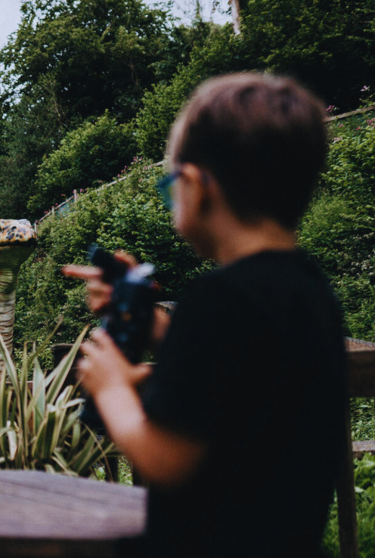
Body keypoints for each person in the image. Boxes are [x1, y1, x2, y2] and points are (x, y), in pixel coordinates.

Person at [64, 73, 347, 557]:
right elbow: (237, 378)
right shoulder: (312, 291)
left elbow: (165, 459)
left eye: (169, 185)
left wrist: (112, 390)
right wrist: (147, 319)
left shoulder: (214, 299)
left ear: (194, 185)